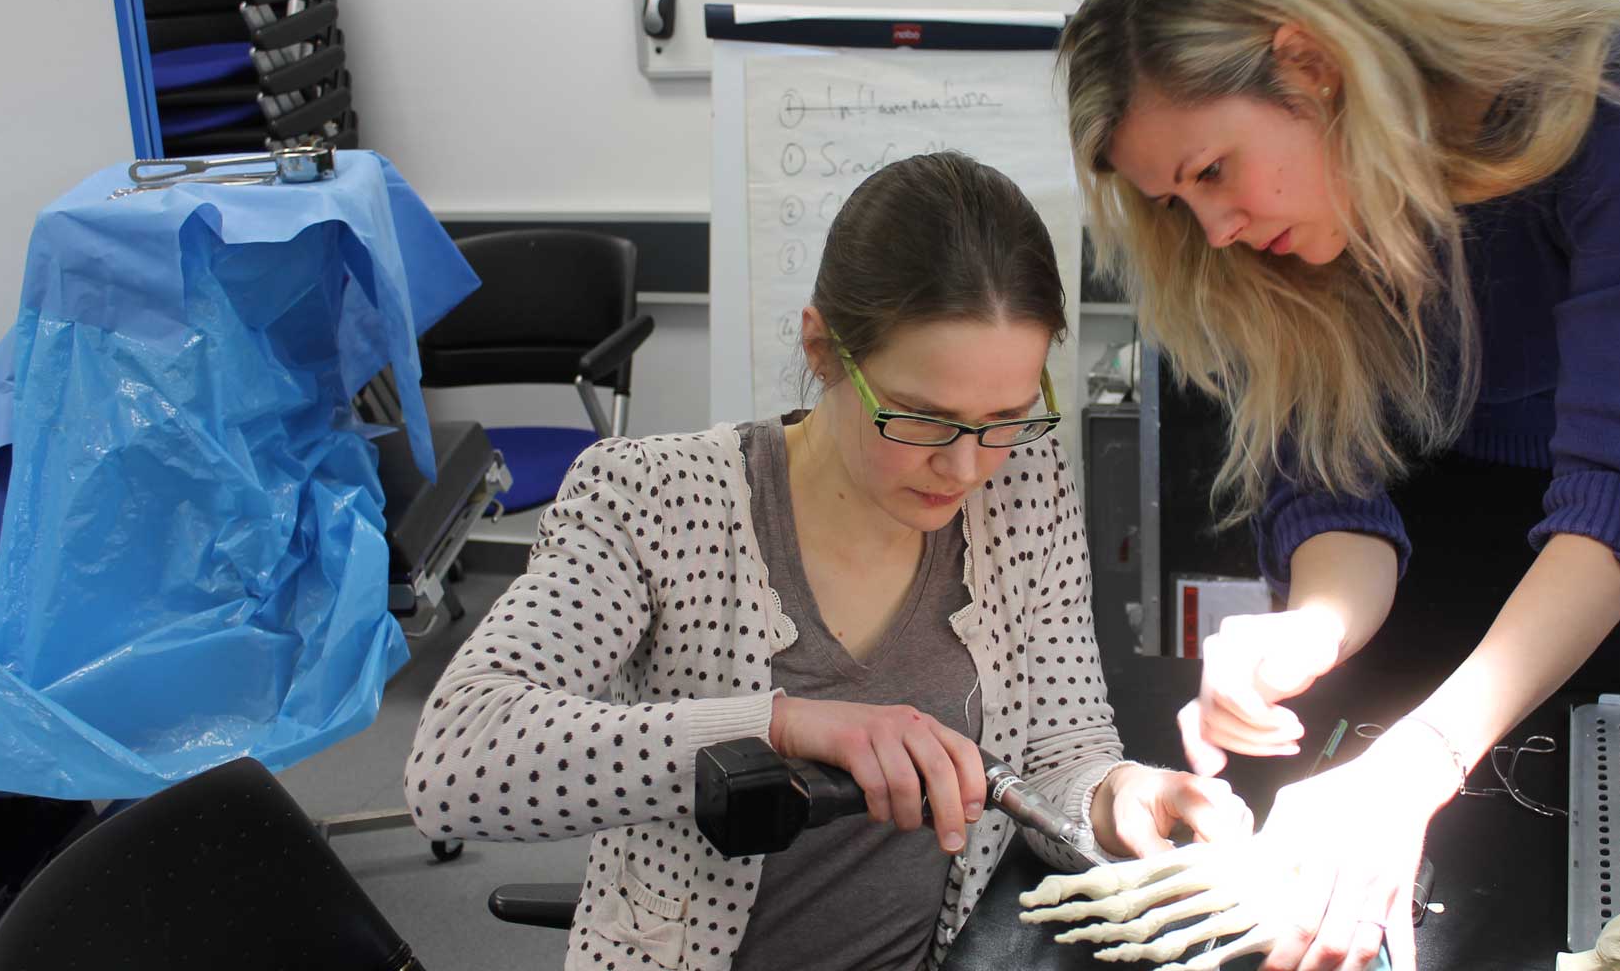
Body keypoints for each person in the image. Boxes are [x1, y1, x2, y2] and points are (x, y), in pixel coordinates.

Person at [1057, 0, 1620, 971]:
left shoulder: (1608, 92)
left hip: (1580, 556)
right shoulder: (1253, 246)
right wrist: (1309, 635)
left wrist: (1427, 753)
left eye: (1213, 171)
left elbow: (1617, 496)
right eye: (1176, 202)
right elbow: (1334, 495)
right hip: (1423, 531)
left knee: (1531, 863)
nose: (1216, 228)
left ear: (1312, 66)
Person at [404, 151, 1248, 971]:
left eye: (1005, 415)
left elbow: (1063, 751)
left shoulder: (1022, 483)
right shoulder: (653, 497)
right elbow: (455, 764)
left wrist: (1118, 798)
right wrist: (780, 725)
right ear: (822, 349)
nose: (965, 467)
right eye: (921, 418)